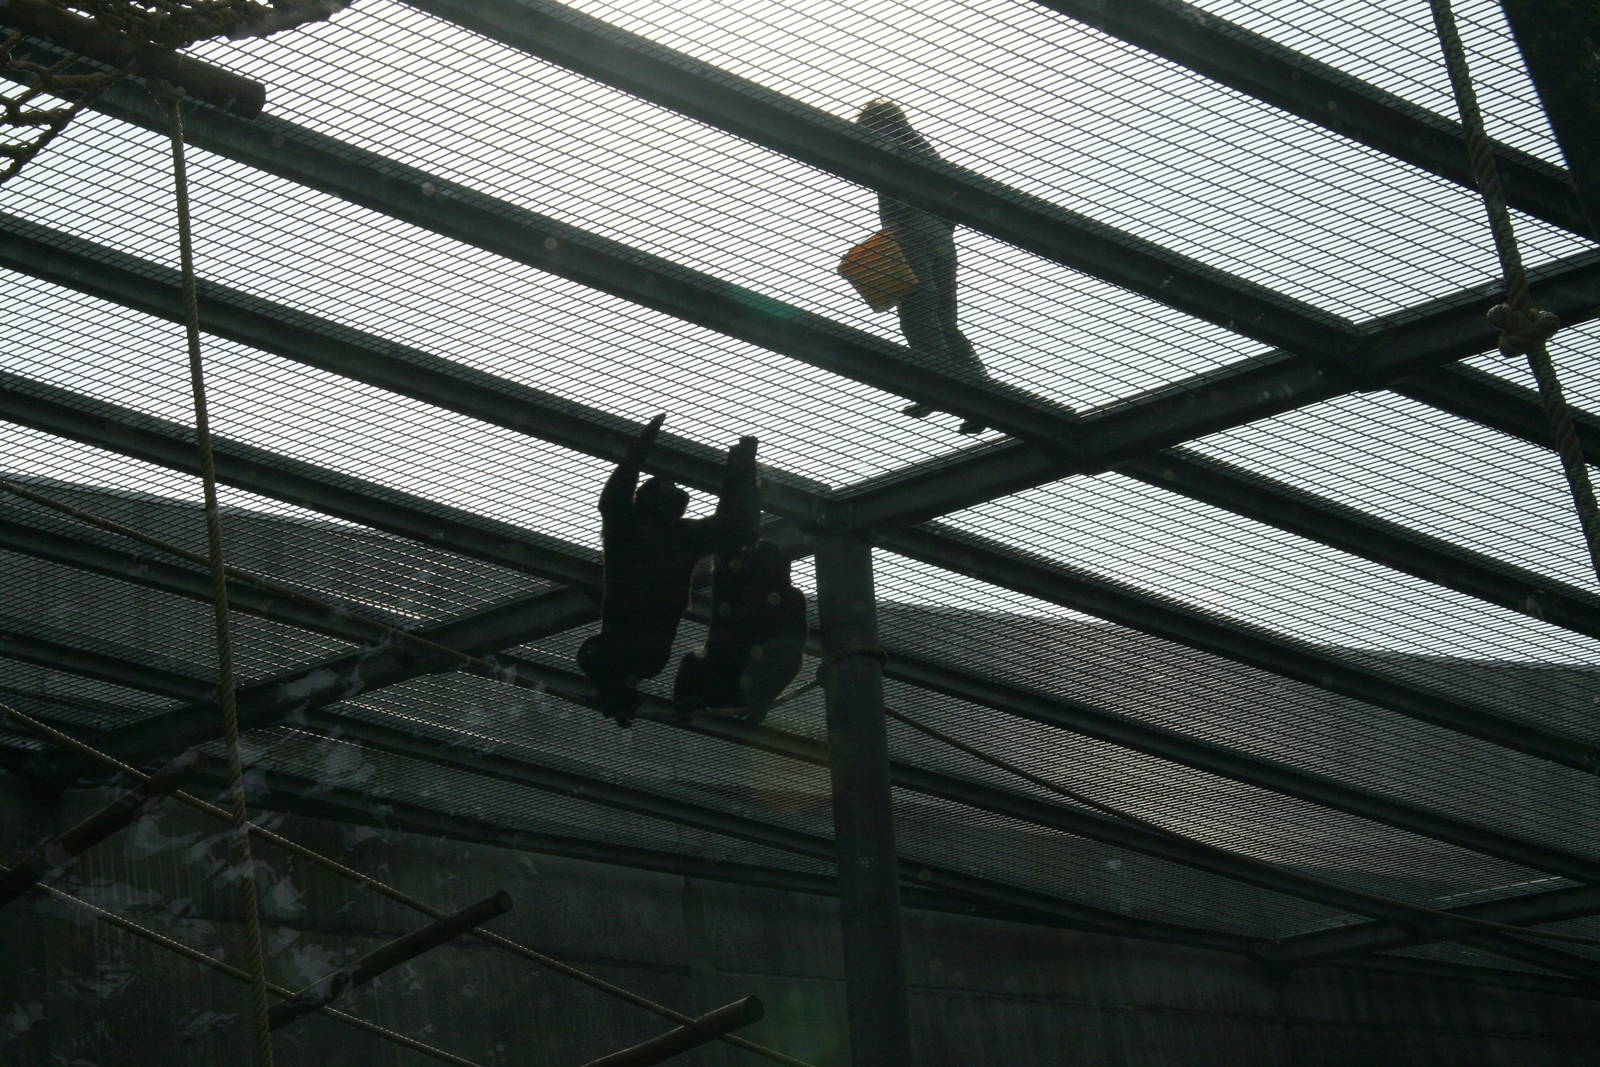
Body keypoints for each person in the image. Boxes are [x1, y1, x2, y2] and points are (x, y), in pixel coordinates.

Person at [855, 97, 989, 434]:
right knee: (943, 317)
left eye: (868, 129)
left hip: (913, 226)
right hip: (940, 233)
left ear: (879, 124)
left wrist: (896, 226)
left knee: (917, 311)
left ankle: (936, 386)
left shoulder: (895, 142)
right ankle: (980, 394)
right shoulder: (921, 146)